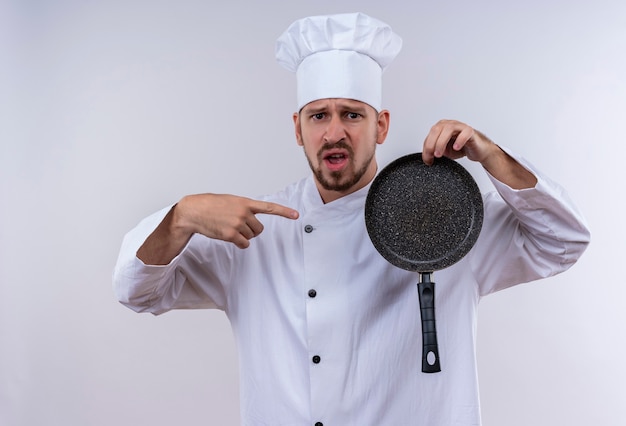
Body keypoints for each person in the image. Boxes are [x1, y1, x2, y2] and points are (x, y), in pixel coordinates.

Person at [113, 12, 590, 426]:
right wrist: (181, 217)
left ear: (381, 124)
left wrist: (492, 156)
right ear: (297, 129)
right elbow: (136, 291)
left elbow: (563, 241)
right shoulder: (254, 231)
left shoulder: (447, 218)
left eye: (352, 115)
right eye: (318, 116)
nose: (334, 132)